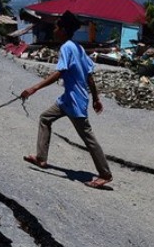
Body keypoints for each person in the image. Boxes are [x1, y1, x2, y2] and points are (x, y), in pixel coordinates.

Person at [21, 11, 113, 189]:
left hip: (74, 101)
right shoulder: (77, 47)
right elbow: (89, 75)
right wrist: (95, 98)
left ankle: (105, 174)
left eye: (56, 26)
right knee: (45, 118)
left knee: (88, 137)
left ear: (63, 29)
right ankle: (41, 158)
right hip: (67, 99)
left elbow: (60, 72)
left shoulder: (66, 48)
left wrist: (34, 88)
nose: (54, 30)